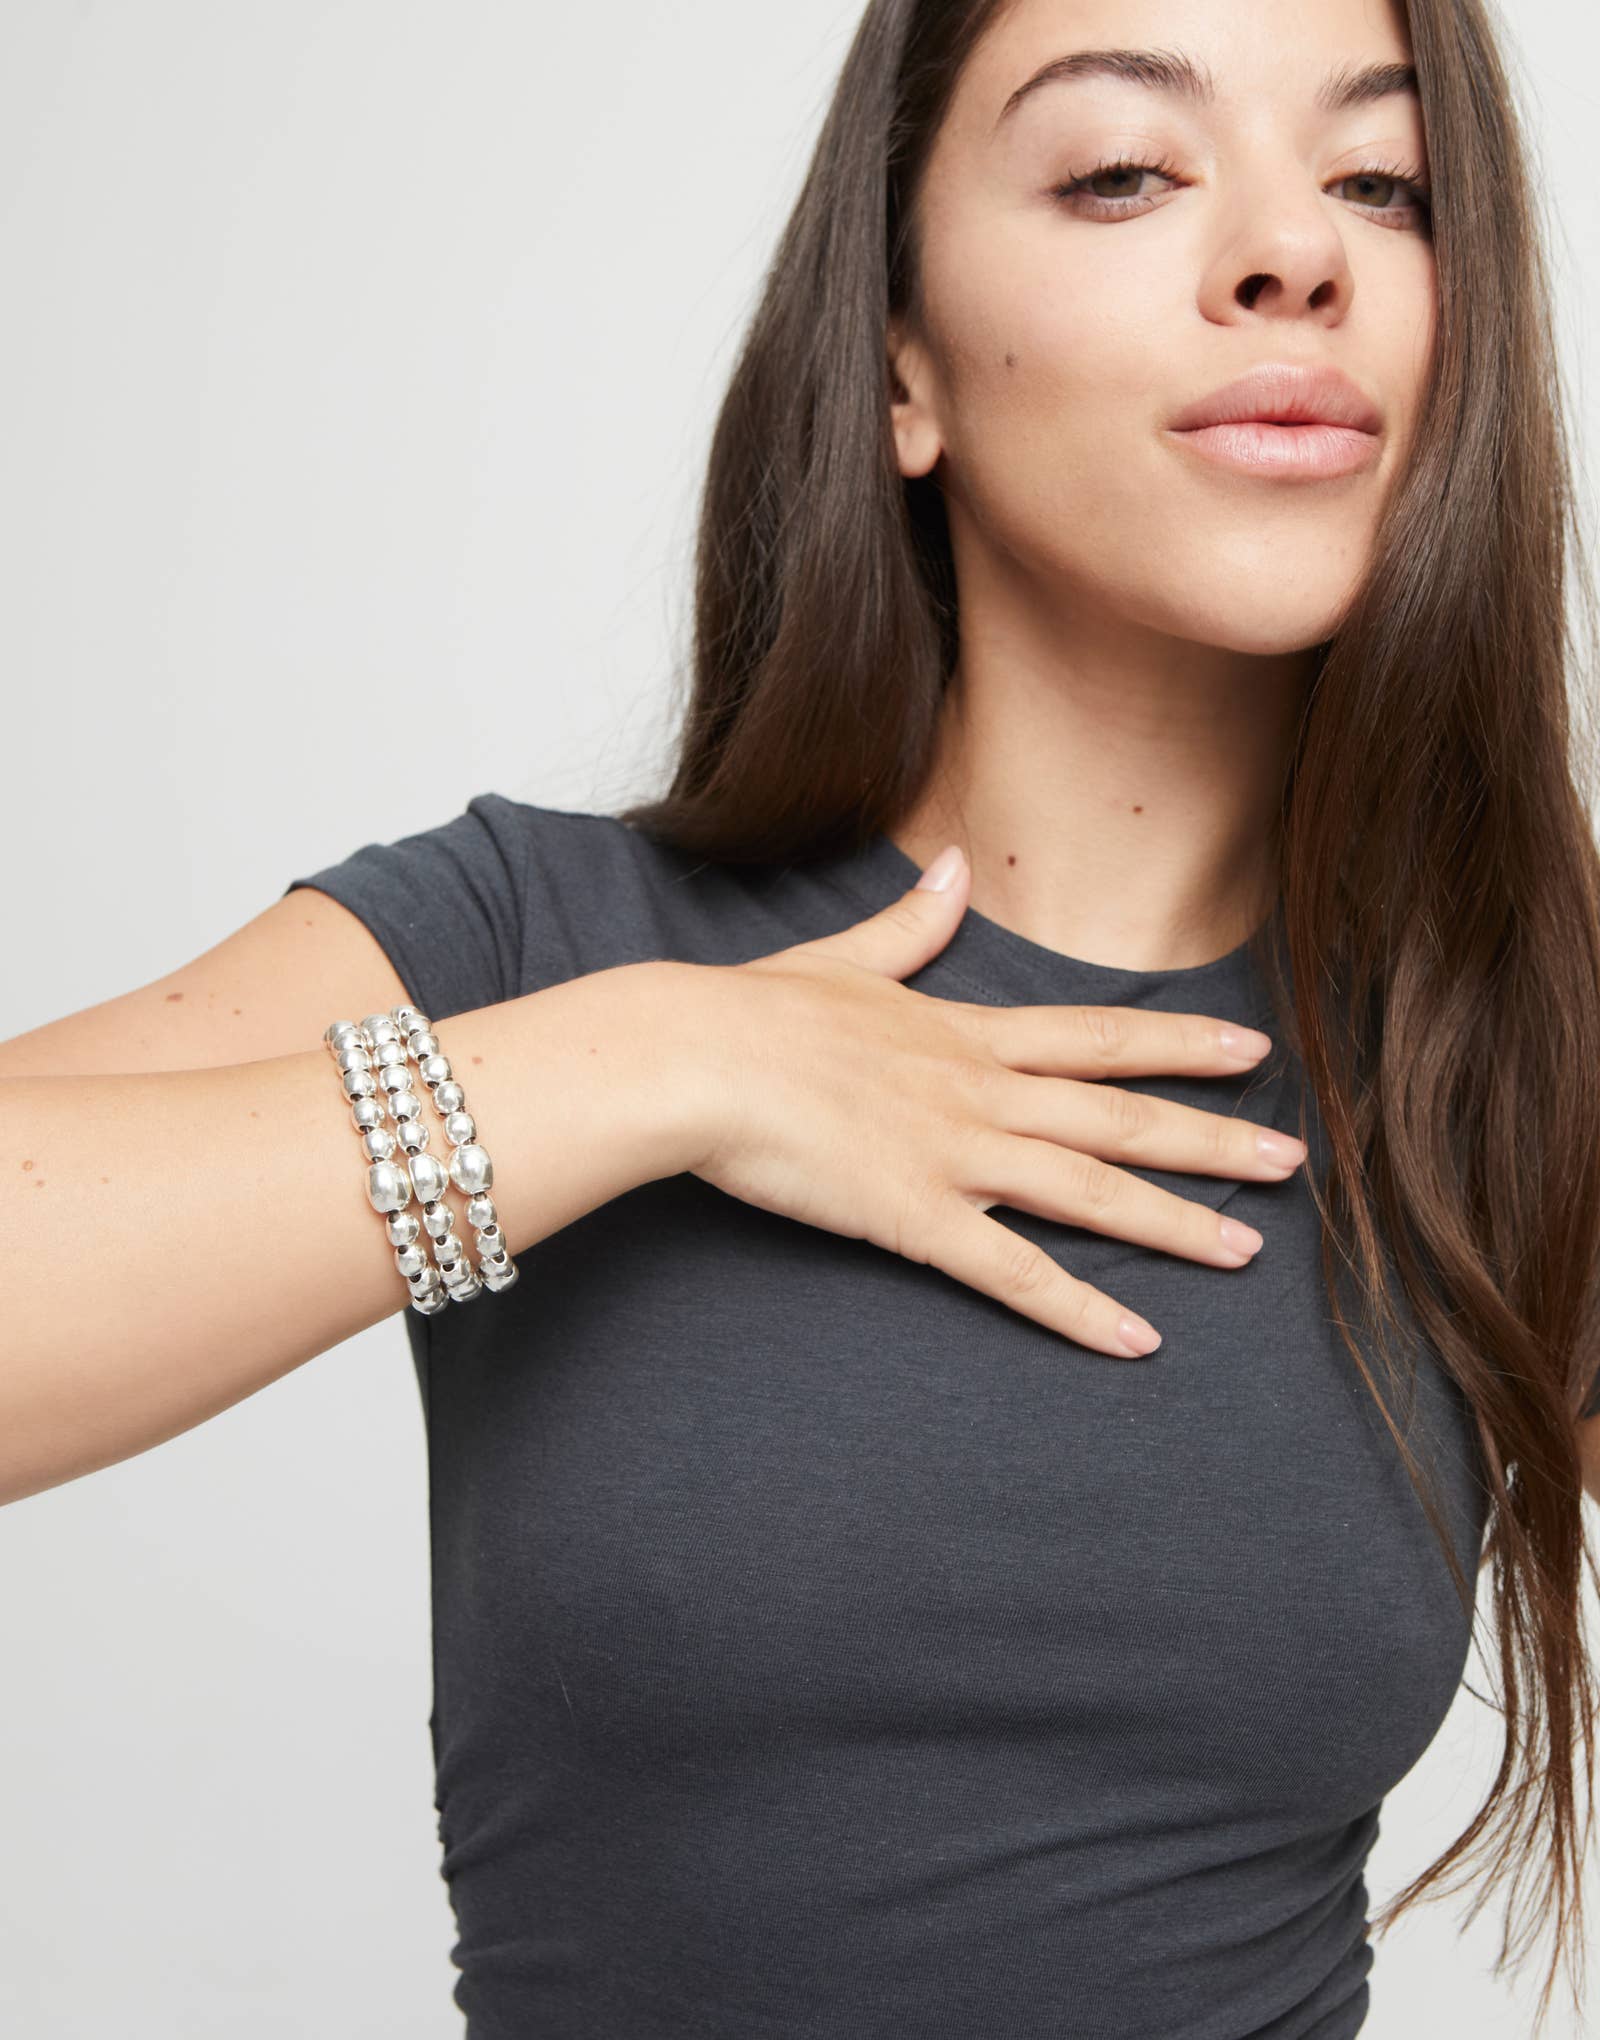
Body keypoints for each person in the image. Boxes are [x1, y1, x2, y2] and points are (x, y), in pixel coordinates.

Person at [5, 0, 1600, 2033]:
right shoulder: (536, 936)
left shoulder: (1505, 1046)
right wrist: (668, 1060)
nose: (1295, 251)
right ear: (898, 364)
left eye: (1384, 183)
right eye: (1123, 171)